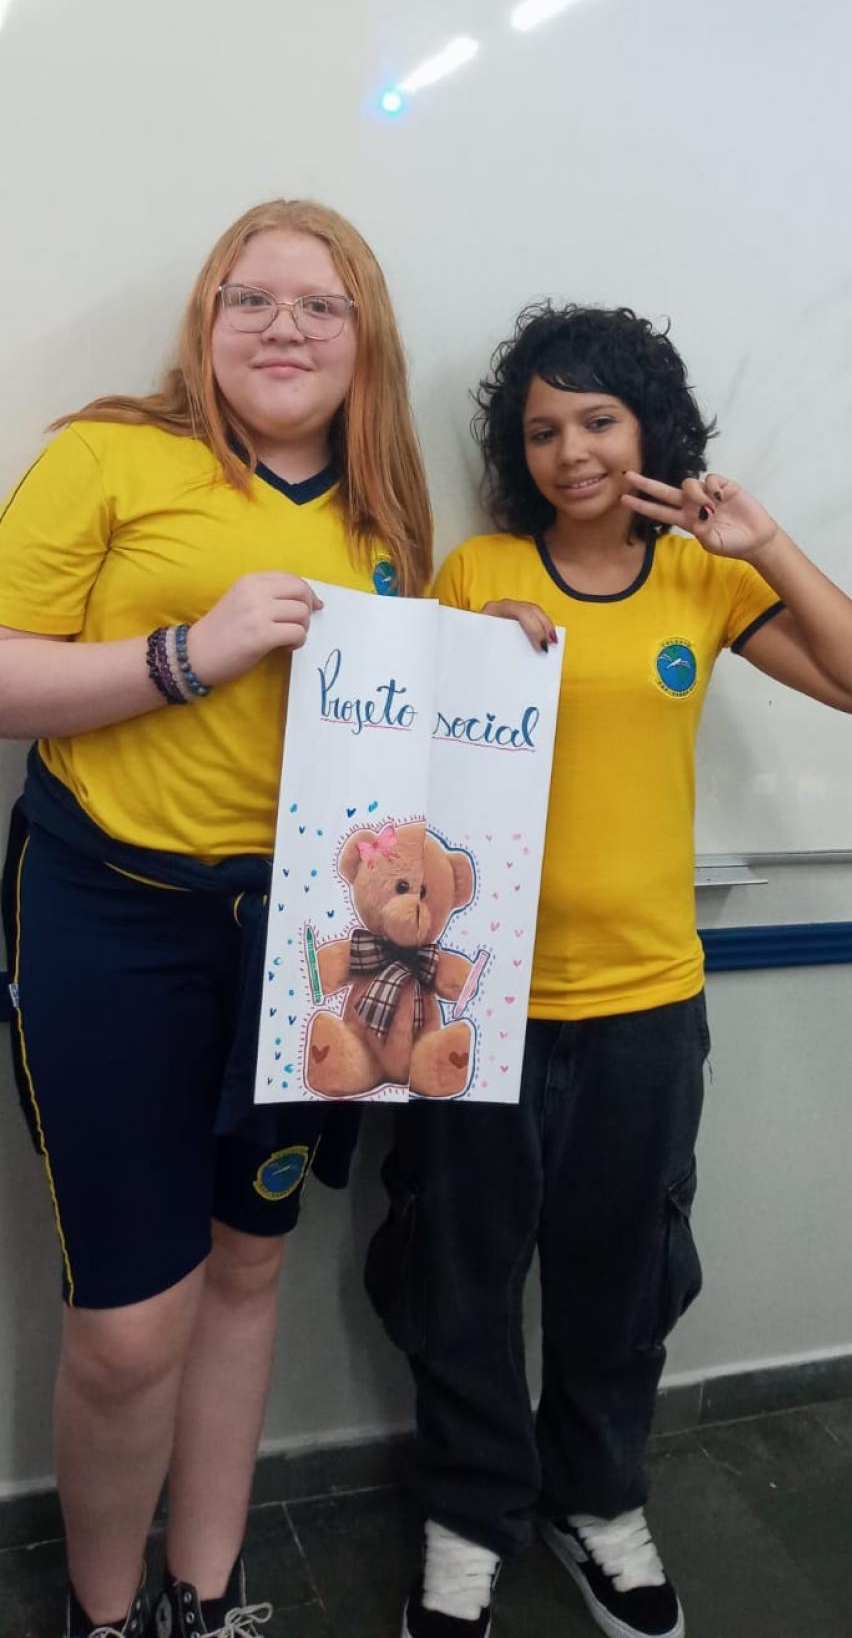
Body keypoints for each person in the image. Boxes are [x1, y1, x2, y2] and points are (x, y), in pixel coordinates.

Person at [365, 302, 852, 1638]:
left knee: (622, 1278)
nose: (572, 451)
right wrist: (462, 663)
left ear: (649, 429)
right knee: (460, 1278)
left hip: (646, 1007)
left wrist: (762, 541)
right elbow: (383, 782)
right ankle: (469, 1516)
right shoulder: (480, 571)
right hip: (471, 1007)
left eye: (598, 421)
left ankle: (596, 1500)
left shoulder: (701, 581)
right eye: (542, 429)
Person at [0, 197, 432, 1638]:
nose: (284, 327)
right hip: (114, 916)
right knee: (132, 1325)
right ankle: (104, 1616)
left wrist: (494, 667)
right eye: (252, 298)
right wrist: (192, 651)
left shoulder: (387, 515)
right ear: (207, 319)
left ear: (364, 336)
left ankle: (206, 1594)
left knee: (250, 1263)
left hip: (305, 940)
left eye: (320, 304)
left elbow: (401, 742)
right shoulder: (109, 453)